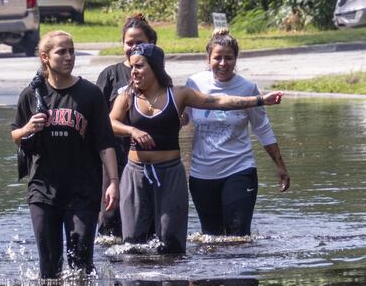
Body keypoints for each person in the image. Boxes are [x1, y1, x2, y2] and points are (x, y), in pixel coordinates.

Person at [109, 43, 283, 256]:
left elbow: (220, 101)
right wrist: (131, 130)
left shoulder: (179, 94)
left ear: (154, 67)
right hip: (136, 173)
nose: (133, 72)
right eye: (132, 67)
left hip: (169, 173)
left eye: (139, 66)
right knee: (133, 243)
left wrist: (259, 100)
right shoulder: (127, 95)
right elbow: (110, 123)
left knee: (171, 244)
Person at [12, 31, 119, 279]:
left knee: (80, 265)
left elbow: (105, 143)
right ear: (45, 57)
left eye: (71, 50)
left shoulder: (90, 94)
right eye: (61, 51)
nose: (69, 56)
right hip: (42, 190)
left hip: (83, 191)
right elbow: (15, 135)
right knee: (49, 269)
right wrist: (28, 128)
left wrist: (113, 182)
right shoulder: (32, 94)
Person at [185, 32, 290, 237]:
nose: (223, 63)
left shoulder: (247, 87)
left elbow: (262, 128)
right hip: (202, 174)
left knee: (238, 235)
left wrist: (280, 165)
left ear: (236, 59)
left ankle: (242, 268)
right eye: (217, 57)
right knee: (210, 238)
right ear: (208, 59)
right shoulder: (194, 84)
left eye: (229, 57)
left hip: (239, 169)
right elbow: (183, 118)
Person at [94, 13, 157, 238]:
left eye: (139, 42)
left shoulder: (158, 75)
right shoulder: (111, 75)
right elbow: (97, 120)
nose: (133, 47)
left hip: (149, 160)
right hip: (115, 160)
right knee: (110, 218)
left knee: (146, 219)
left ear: (152, 43)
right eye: (129, 43)